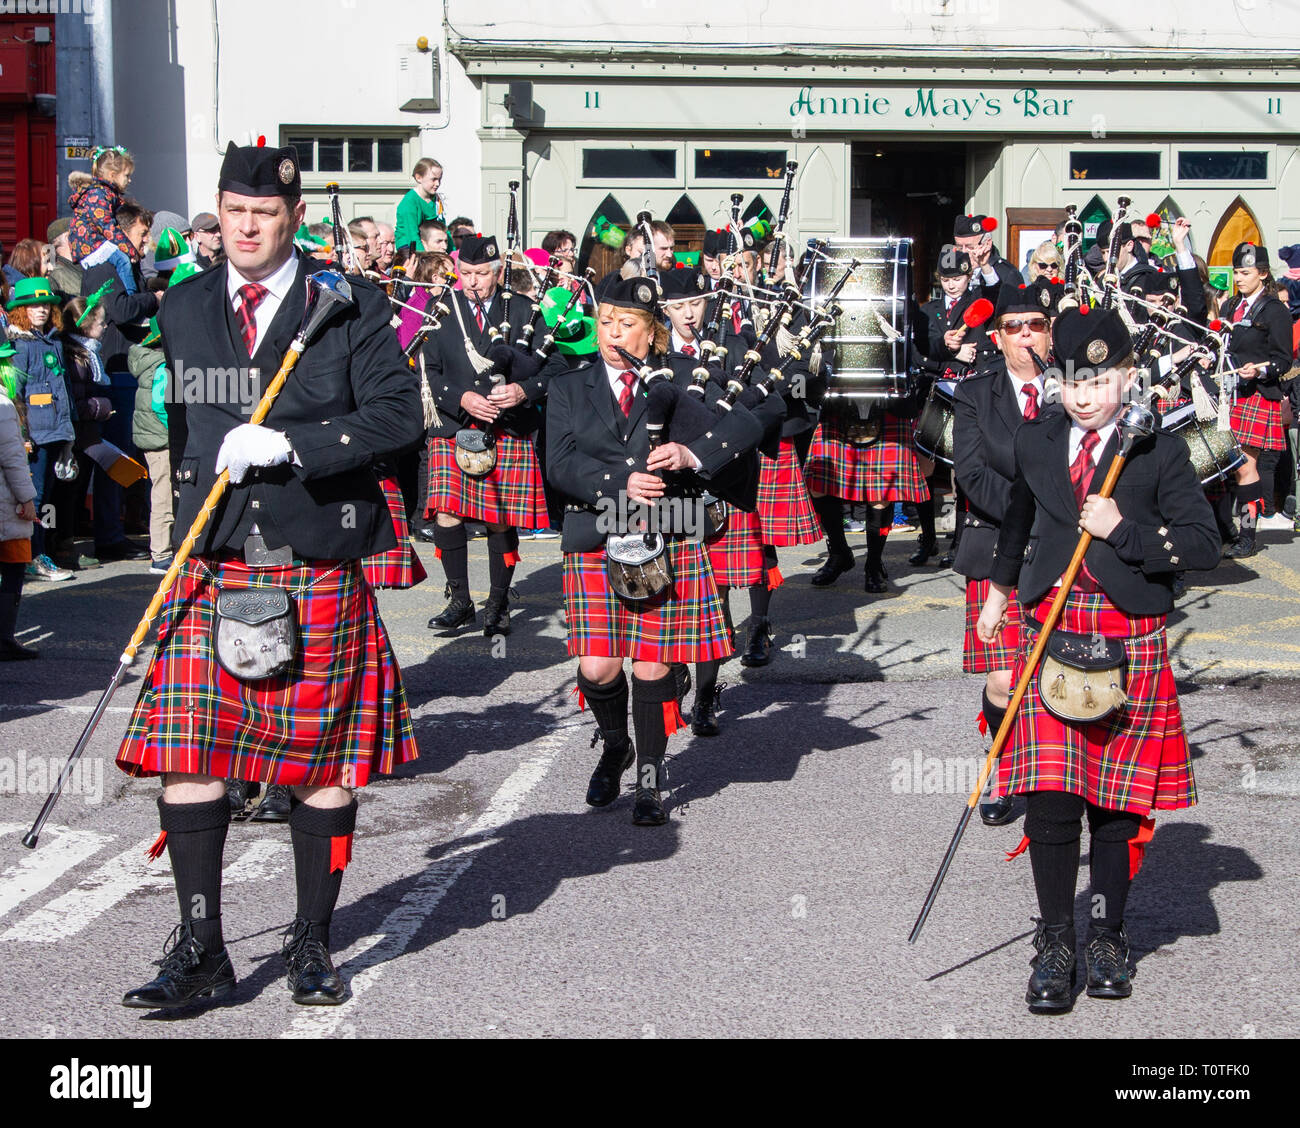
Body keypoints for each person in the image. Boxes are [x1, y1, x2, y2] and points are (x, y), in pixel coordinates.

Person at [115, 141, 423, 1011]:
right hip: (215, 561)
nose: (248, 228)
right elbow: (181, 431)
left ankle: (314, 941)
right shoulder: (183, 307)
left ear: (291, 220)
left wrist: (297, 445)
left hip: (313, 558)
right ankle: (204, 949)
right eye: (235, 212)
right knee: (188, 755)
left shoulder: (348, 304)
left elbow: (399, 416)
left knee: (322, 767)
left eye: (265, 216)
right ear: (221, 210)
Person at [976, 304, 1218, 1014]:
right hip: (1050, 625)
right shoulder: (1037, 439)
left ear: (1128, 377)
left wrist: (1126, 531)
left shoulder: (1163, 448)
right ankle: (1055, 939)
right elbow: (1018, 522)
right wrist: (996, 594)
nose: (1085, 395)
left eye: (1101, 380)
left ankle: (1108, 934)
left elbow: (1205, 545)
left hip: (1127, 633)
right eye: (1072, 380)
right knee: (1051, 796)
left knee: (1116, 803)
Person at [545, 277, 762, 824]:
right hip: (597, 532)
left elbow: (753, 419)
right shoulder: (571, 386)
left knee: (651, 665)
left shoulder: (687, 377)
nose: (612, 334)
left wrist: (693, 454)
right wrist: (621, 482)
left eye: (627, 325)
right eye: (605, 323)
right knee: (596, 668)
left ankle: (649, 779)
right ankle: (616, 745)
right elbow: (561, 464)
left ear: (653, 331)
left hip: (668, 532)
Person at [953, 279, 1059, 827]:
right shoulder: (975, 392)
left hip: (1066, 550)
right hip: (1000, 545)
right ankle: (1006, 765)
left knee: (1054, 675)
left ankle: (1057, 775)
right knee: (1003, 681)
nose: (1026, 337)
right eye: (1014, 328)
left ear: (1049, 332)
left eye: (1036, 326)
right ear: (997, 338)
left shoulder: (1075, 387)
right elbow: (970, 472)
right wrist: (1039, 511)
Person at [422, 233, 563, 636]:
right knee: (446, 512)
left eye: (481, 273)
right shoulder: (442, 308)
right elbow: (426, 371)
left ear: (498, 272)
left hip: (507, 427)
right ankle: (461, 600)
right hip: (455, 423)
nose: (472, 281)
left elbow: (555, 367)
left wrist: (523, 391)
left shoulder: (523, 310)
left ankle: (498, 603)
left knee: (500, 519)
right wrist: (462, 397)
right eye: (465, 273)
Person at [1219, 243, 1295, 558]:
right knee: (1221, 466)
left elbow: (1283, 360)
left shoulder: (1274, 309)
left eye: (1245, 272)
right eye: (1236, 271)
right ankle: (1224, 530)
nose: (1239, 278)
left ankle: (1248, 535)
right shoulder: (1229, 306)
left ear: (1262, 274)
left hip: (1255, 395)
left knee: (1246, 466)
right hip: (1228, 394)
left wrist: (1259, 371)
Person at [5, 277, 75, 581]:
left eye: (46, 304)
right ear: (20, 310)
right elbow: (14, 396)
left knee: (49, 501)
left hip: (57, 432)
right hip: (35, 435)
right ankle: (34, 556)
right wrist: (22, 436)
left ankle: (43, 550)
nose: (42, 310)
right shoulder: (19, 346)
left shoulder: (54, 342)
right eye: (33, 305)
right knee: (35, 499)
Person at [128, 316, 174, 575]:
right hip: (162, 439)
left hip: (155, 437)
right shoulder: (162, 366)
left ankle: (164, 549)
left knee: (162, 492)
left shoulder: (150, 362)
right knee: (164, 495)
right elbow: (161, 406)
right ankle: (161, 554)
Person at [0, 370, 38, 659]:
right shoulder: (2, 405)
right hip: (5, 504)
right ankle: (4, 640)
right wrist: (27, 498)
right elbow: (13, 458)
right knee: (13, 566)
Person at [68, 147, 143, 294]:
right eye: (126, 175)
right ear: (113, 175)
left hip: (89, 241)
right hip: (90, 242)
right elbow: (107, 226)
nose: (129, 180)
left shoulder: (105, 193)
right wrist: (129, 249)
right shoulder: (99, 193)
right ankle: (130, 294)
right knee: (123, 260)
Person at [952, 214, 1020, 298]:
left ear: (987, 244)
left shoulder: (1007, 273)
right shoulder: (952, 269)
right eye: (959, 247)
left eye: (970, 247)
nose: (964, 252)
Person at [395, 158, 445, 251]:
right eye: (433, 179)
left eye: (439, 179)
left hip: (429, 243)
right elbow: (412, 235)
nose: (437, 184)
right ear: (419, 178)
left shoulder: (436, 200)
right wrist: (424, 259)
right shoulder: (409, 202)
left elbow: (443, 228)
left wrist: (451, 253)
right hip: (409, 246)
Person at [46, 219, 84, 302]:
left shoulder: (85, 266)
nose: (84, 237)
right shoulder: (56, 274)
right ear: (68, 237)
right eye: (80, 232)